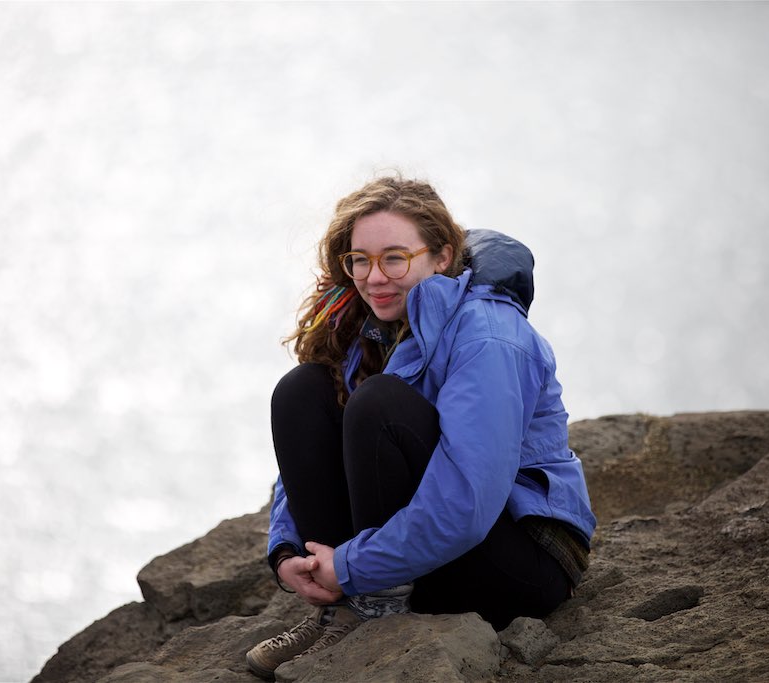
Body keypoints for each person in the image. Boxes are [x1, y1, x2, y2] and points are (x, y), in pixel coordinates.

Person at [246, 176, 596, 680]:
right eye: (359, 259)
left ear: (442, 257)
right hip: (428, 556)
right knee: (301, 390)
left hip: (522, 558)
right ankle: (342, 607)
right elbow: (311, 459)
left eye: (395, 257)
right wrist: (287, 551)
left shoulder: (489, 335)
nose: (374, 277)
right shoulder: (370, 325)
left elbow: (469, 502)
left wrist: (351, 566)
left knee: (379, 404)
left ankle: (370, 602)